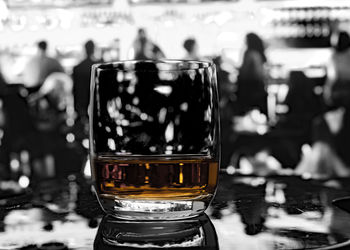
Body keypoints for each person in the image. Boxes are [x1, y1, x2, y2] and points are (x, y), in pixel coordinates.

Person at [295, 31, 350, 179]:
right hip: (334, 102)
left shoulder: (339, 56)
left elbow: (337, 79)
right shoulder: (333, 56)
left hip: (342, 102)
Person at [235, 33, 268, 114]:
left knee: (246, 113)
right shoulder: (258, 54)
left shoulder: (249, 53)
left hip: (249, 89)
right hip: (259, 87)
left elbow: (244, 72)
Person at [72, 40, 98, 121]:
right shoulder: (99, 66)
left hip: (82, 106)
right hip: (96, 104)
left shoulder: (78, 68)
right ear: (93, 49)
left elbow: (75, 91)